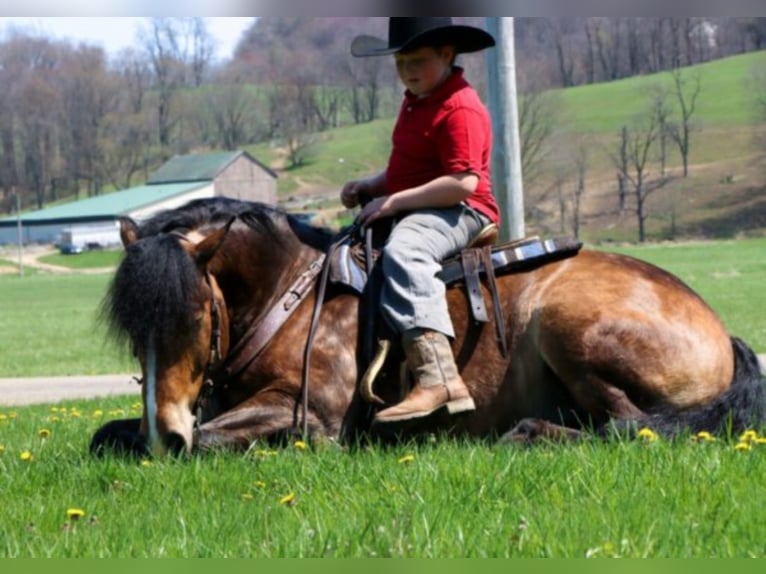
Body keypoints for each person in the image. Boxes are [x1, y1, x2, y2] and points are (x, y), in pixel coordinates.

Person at [341, 18, 500, 423]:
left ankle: (438, 378)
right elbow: (409, 172)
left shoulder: (459, 107)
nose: (408, 70)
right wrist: (371, 187)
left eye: (419, 60)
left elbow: (463, 182)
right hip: (424, 204)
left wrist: (393, 202)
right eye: (401, 62)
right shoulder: (417, 99)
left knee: (406, 251)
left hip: (462, 210)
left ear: (447, 55)